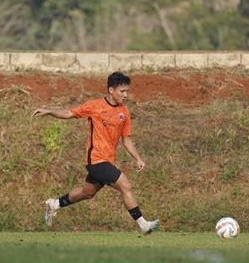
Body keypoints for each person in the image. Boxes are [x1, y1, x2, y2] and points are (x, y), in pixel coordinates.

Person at [32, 72, 159, 235]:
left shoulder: (124, 112)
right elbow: (69, 113)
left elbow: (126, 140)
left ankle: (55, 204)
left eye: (127, 91)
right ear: (111, 90)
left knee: (88, 193)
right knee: (125, 186)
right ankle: (143, 225)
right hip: (96, 160)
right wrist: (49, 111)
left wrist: (138, 158)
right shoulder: (95, 106)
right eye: (122, 91)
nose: (126, 95)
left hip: (108, 160)